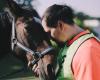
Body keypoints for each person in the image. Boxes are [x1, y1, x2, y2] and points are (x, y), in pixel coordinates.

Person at [41, 4, 100, 80]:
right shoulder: (70, 45)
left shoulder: (87, 51)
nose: (50, 38)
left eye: (49, 32)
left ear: (60, 25)